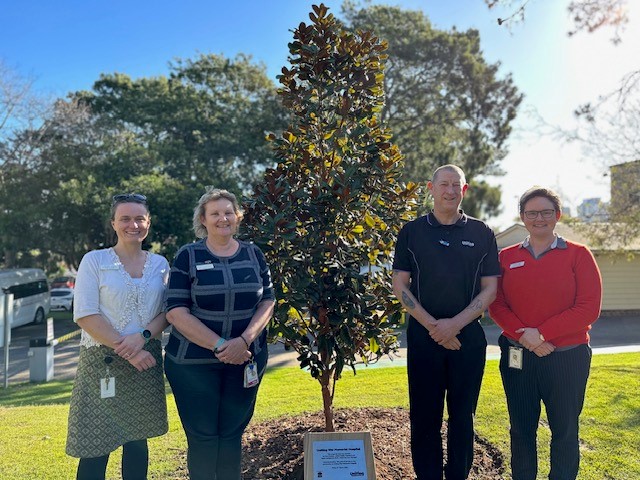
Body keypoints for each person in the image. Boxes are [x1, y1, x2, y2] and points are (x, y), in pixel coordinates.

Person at [392, 164, 500, 480]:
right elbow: (400, 285)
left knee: (463, 416)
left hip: (468, 338)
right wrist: (435, 327)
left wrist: (455, 325)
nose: (450, 191)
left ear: (464, 190)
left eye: (457, 185)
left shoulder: (482, 233)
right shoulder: (412, 231)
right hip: (424, 338)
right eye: (444, 184)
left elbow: (490, 287)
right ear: (431, 188)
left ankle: (457, 475)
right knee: (425, 416)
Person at [488, 186, 602, 480]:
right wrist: (524, 336)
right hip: (516, 354)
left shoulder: (579, 255)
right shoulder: (506, 257)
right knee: (520, 428)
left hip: (567, 357)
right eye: (532, 213)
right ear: (523, 217)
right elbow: (497, 304)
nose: (539, 218)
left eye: (546, 212)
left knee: (564, 429)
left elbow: (588, 308)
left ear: (557, 215)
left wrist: (541, 334)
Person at [164, 187, 275, 480]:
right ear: (203, 219)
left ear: (237, 217)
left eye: (228, 212)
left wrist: (243, 342)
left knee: (231, 434)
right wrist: (222, 345)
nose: (222, 218)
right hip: (192, 366)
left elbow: (268, 300)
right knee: (202, 437)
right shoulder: (188, 255)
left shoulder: (254, 253)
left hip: (245, 360)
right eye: (215, 213)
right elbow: (175, 310)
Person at [66, 193, 169, 480]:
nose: (132, 224)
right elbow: (85, 314)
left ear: (148, 223)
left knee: (137, 443)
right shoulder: (94, 261)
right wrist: (133, 351)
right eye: (125, 218)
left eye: (139, 218)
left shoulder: (161, 265)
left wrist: (145, 336)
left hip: (145, 365)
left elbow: (167, 312)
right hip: (103, 363)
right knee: (94, 446)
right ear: (113, 223)